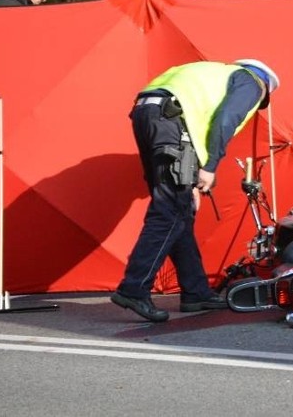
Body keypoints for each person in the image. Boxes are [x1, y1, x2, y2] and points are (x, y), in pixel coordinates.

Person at [111, 59, 281, 322]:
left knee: (180, 210)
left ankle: (196, 291)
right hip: (172, 122)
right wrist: (210, 166)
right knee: (170, 210)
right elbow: (226, 120)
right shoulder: (252, 82)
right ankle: (134, 288)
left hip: (148, 114)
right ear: (265, 89)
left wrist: (189, 180)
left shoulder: (212, 74)